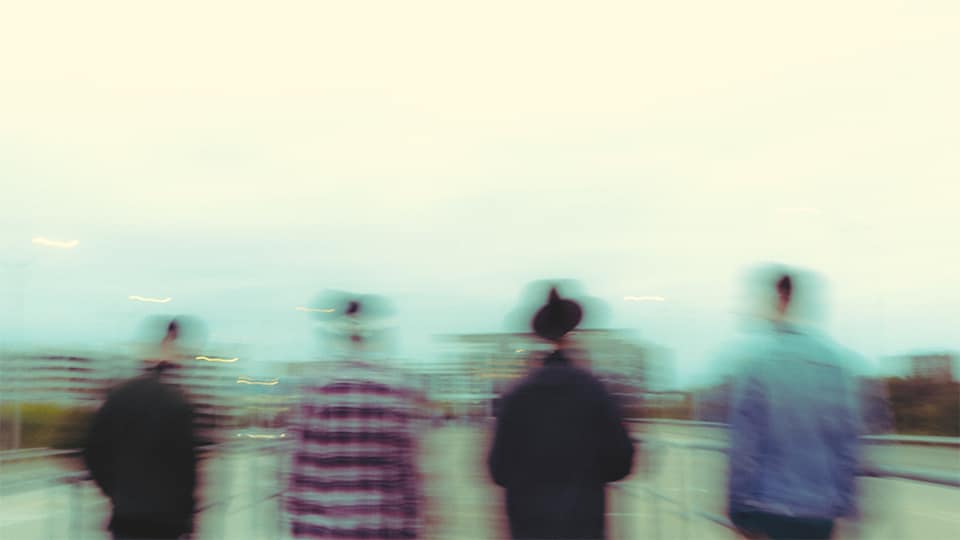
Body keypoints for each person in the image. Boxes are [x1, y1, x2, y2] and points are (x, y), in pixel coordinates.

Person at [488, 287, 634, 540]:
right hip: (583, 525)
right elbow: (621, 464)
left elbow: (498, 471)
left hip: (528, 527)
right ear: (572, 339)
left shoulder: (514, 396)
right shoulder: (594, 391)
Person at [727, 274, 862, 540]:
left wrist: (737, 509)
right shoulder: (832, 362)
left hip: (770, 508)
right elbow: (847, 444)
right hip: (820, 513)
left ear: (780, 301)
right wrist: (846, 506)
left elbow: (744, 447)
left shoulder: (758, 363)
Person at [286, 298, 422, 539]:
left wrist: (298, 528)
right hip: (379, 528)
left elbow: (300, 476)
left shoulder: (316, 392)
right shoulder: (393, 393)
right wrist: (409, 530)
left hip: (326, 529)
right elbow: (406, 480)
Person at [84, 319, 198, 540]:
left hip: (126, 516)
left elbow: (92, 452)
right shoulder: (178, 403)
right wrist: (189, 521)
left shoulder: (119, 396)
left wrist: (117, 492)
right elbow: (186, 470)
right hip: (166, 521)